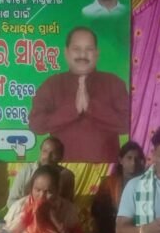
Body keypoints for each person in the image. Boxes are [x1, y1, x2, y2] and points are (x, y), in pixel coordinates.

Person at [28, 27, 129, 162]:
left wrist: (91, 107)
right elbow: (36, 125)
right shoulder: (52, 84)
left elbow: (127, 124)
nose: (83, 55)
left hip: (106, 169)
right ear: (66, 53)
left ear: (97, 53)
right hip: (60, 169)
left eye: (89, 49)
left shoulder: (113, 83)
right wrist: (72, 109)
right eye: (76, 49)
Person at [91, 141, 145, 233]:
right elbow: (97, 211)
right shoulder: (109, 183)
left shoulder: (147, 183)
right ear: (121, 160)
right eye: (129, 158)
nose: (133, 163)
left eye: (137, 159)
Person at [6, 137, 75, 208]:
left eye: (53, 153)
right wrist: (30, 210)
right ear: (40, 152)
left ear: (61, 156)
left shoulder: (66, 176)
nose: (48, 157)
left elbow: (68, 204)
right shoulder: (26, 172)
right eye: (45, 151)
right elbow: (11, 201)